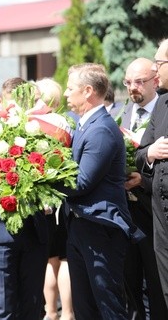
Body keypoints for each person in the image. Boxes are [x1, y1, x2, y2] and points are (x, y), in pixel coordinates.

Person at [61, 63, 143, 319]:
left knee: (107, 305)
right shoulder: (86, 124)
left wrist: (42, 181)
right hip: (82, 224)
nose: (65, 93)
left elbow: (82, 181)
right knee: (85, 306)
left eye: (70, 87)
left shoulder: (101, 129)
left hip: (100, 228)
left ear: (87, 91)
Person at [0, 80, 49, 319]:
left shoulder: (42, 125)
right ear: (1, 100)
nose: (19, 106)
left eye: (26, 100)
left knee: (33, 304)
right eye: (13, 100)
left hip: (35, 227)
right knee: (4, 305)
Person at [120, 57, 167, 319]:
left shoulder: (163, 108)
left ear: (155, 80)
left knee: (156, 283)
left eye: (139, 81)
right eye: (128, 82)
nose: (132, 87)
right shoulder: (124, 111)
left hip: (154, 210)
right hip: (127, 211)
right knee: (130, 281)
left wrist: (144, 179)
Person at [35, 78, 74, 320]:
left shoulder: (27, 122)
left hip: (40, 199)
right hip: (61, 198)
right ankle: (68, 312)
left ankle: (50, 312)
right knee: (65, 258)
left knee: (50, 260)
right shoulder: (62, 122)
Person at [137, 38, 168, 310]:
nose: (155, 70)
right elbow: (140, 152)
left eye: (159, 63)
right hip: (161, 217)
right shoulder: (162, 104)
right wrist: (150, 152)